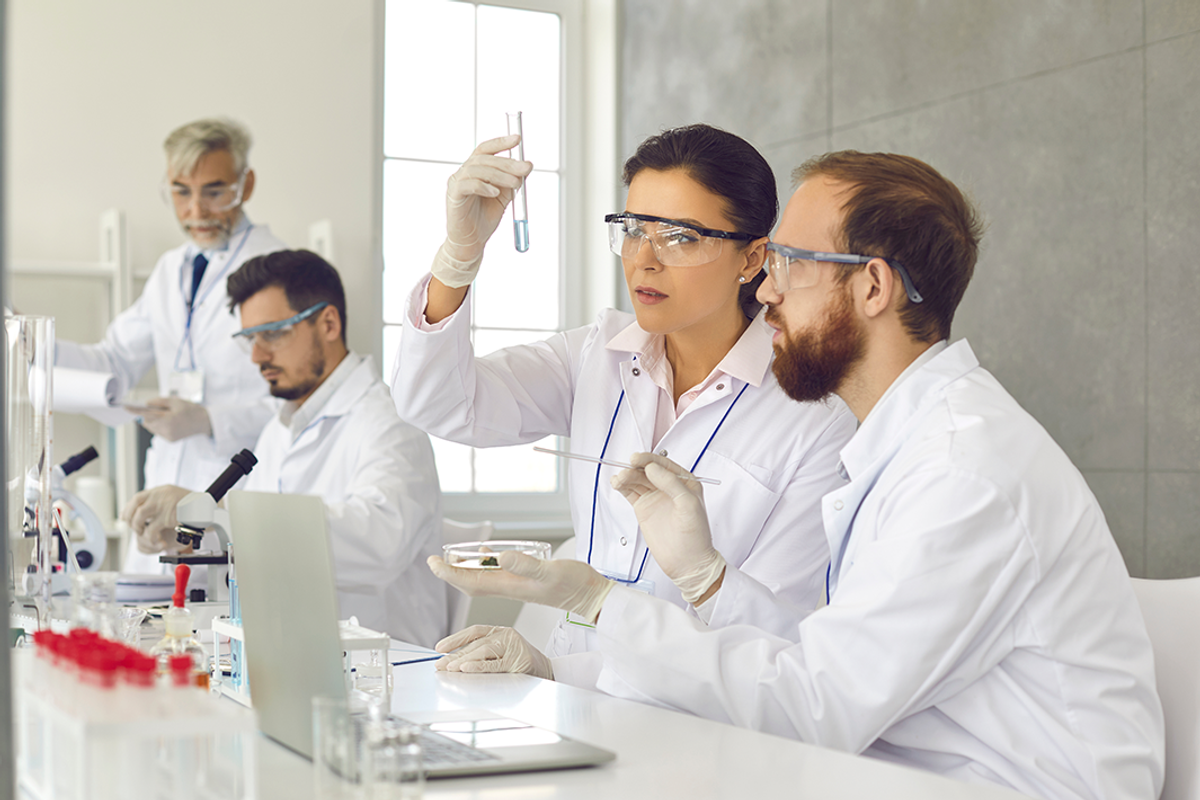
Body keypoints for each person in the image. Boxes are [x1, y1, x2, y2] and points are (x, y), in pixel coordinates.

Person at [429, 152, 1165, 800]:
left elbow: (815, 706)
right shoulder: (908, 444)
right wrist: (709, 580)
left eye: (790, 264)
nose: (768, 292)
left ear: (873, 287)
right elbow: (823, 665)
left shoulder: (962, 473)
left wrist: (597, 602)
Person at [390, 124, 856, 686]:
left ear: (752, 257)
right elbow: (439, 404)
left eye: (681, 237)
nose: (644, 260)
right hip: (570, 702)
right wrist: (458, 258)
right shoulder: (596, 354)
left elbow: (777, 642)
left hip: (695, 716)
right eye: (633, 230)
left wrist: (560, 673)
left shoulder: (813, 417)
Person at [124, 250, 446, 646]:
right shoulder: (281, 427)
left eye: (273, 333)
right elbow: (258, 542)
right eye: (249, 339)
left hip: (384, 665)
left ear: (328, 323)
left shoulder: (390, 422)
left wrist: (220, 510)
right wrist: (195, 534)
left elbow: (379, 543)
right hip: (294, 652)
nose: (257, 356)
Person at [55, 118, 287, 572]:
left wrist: (209, 420)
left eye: (214, 191)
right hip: (163, 491)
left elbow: (296, 409)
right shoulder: (170, 270)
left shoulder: (276, 271)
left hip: (234, 493)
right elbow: (113, 361)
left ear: (246, 185)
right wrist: (36, 344)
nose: (196, 210)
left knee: (214, 608)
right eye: (181, 192)